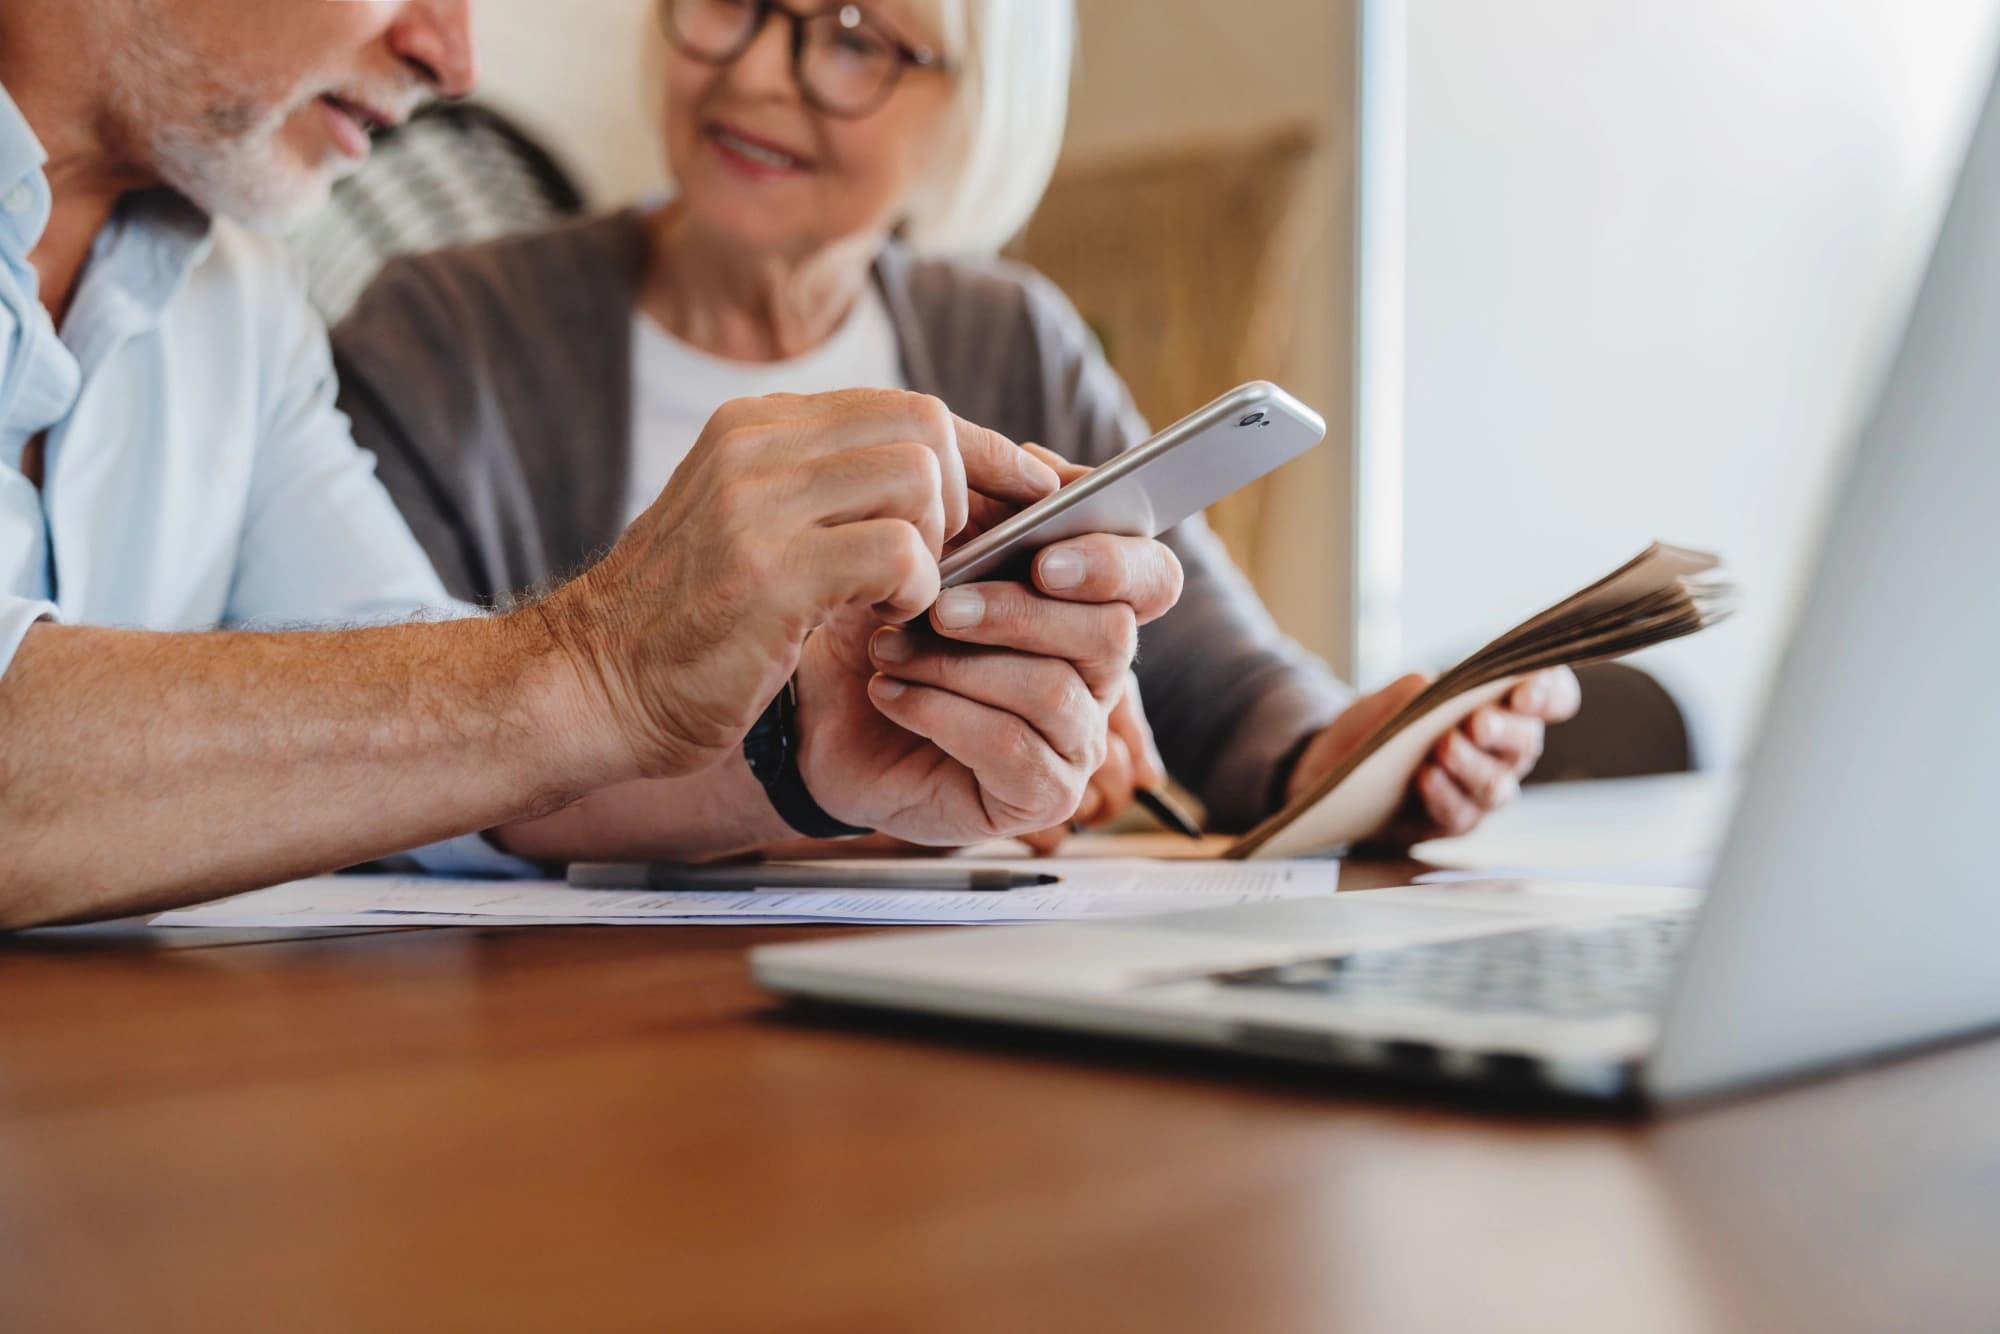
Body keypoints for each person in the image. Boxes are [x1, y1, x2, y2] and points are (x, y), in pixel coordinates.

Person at [0, 0, 1183, 929]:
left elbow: (419, 726)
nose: (452, 56)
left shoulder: (242, 298)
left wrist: (798, 749)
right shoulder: (444, 317)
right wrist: (597, 658)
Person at [334, 0, 1580, 850]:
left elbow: (1222, 678)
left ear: (975, 101)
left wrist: (1335, 754)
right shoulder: (449, 332)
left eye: (860, 37)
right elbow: (392, 736)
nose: (761, 72)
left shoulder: (1009, 339)